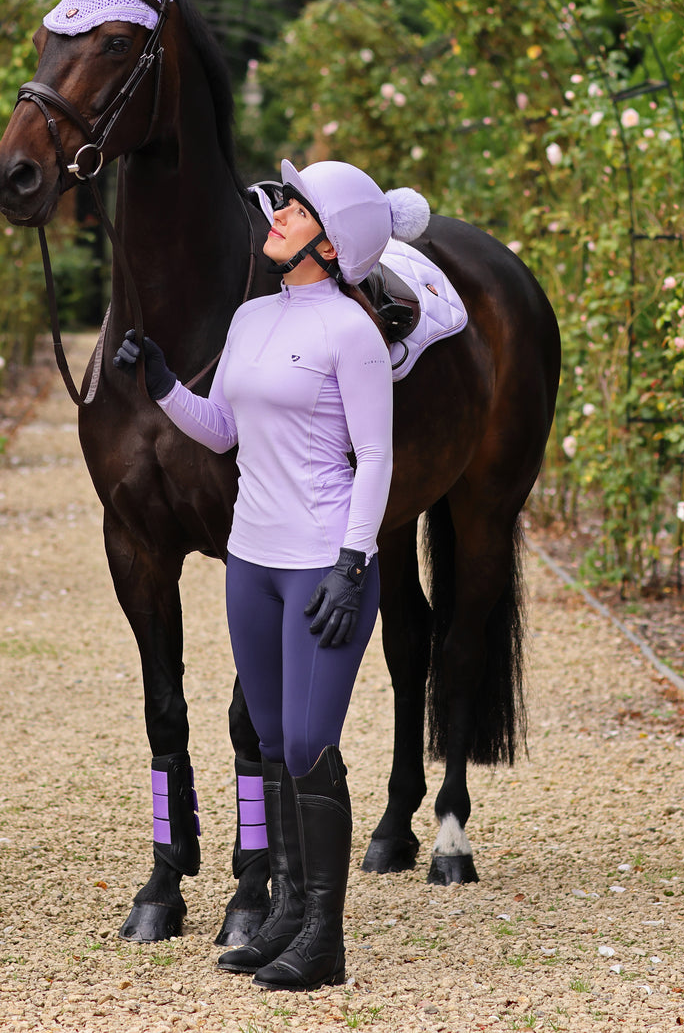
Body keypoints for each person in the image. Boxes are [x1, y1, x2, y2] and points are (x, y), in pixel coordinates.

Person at [114, 158, 428, 990]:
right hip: (250, 562)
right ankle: (285, 911)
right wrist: (163, 386)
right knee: (269, 739)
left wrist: (355, 563)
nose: (278, 213)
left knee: (308, 741)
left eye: (296, 208)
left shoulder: (353, 332)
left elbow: (377, 458)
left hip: (322, 561)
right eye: (284, 204)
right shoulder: (252, 317)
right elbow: (221, 431)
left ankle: (324, 937)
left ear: (331, 243)